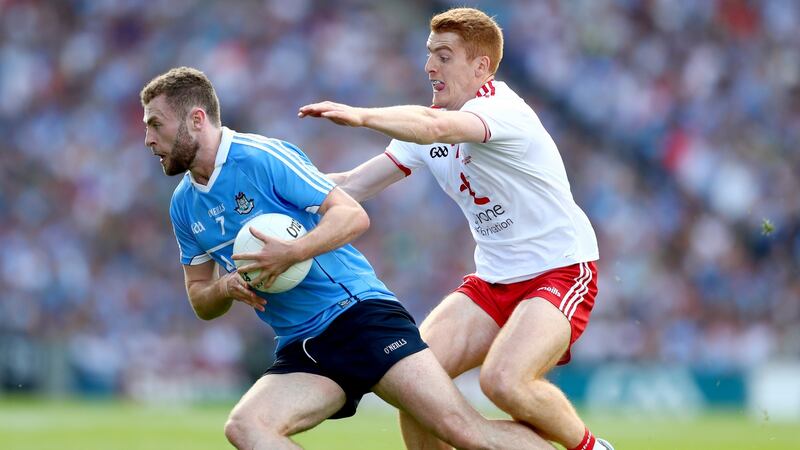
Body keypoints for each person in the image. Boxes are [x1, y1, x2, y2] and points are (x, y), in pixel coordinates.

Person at [140, 66, 552, 450]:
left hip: (358, 316)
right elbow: (199, 299)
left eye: (156, 125)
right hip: (303, 344)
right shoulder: (183, 205)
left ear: (196, 120)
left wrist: (292, 253)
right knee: (247, 428)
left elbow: (352, 215)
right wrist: (225, 287)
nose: (148, 140)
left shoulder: (261, 157)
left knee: (463, 430)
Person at [299, 7, 614, 450]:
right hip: (492, 281)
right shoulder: (428, 123)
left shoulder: (504, 111)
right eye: (429, 54)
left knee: (504, 382)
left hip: (559, 270)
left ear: (480, 66)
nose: (429, 66)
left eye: (443, 56)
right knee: (413, 382)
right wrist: (277, 187)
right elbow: (352, 185)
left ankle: (591, 448)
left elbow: (436, 129)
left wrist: (362, 116)